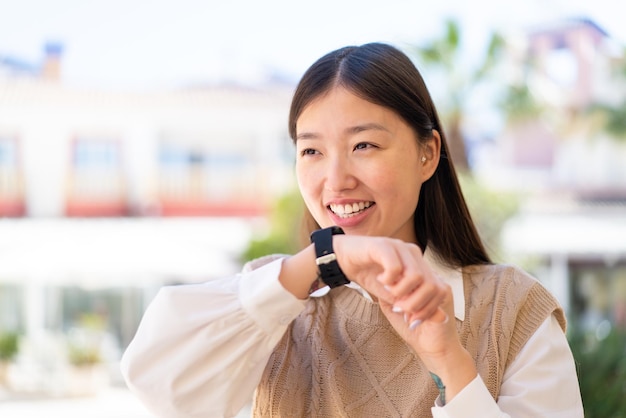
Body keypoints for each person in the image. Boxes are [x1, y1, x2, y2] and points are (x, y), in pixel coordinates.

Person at [121, 43, 584, 417]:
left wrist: (449, 363)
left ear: (427, 154)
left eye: (364, 145)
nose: (336, 180)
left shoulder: (513, 310)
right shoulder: (275, 298)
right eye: (312, 152)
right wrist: (323, 260)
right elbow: (158, 387)